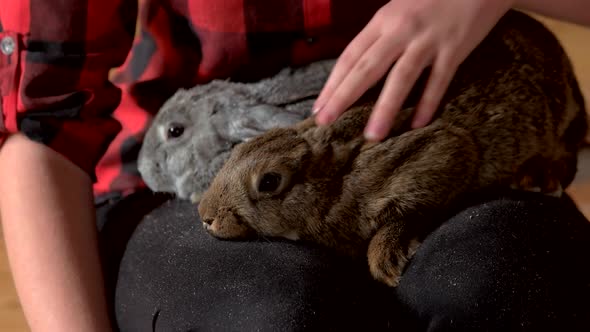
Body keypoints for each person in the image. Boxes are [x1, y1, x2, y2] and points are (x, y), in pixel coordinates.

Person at [0, 0, 589, 331]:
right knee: (281, 318)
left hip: (436, 129)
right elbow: (44, 127)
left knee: (505, 286)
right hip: (183, 176)